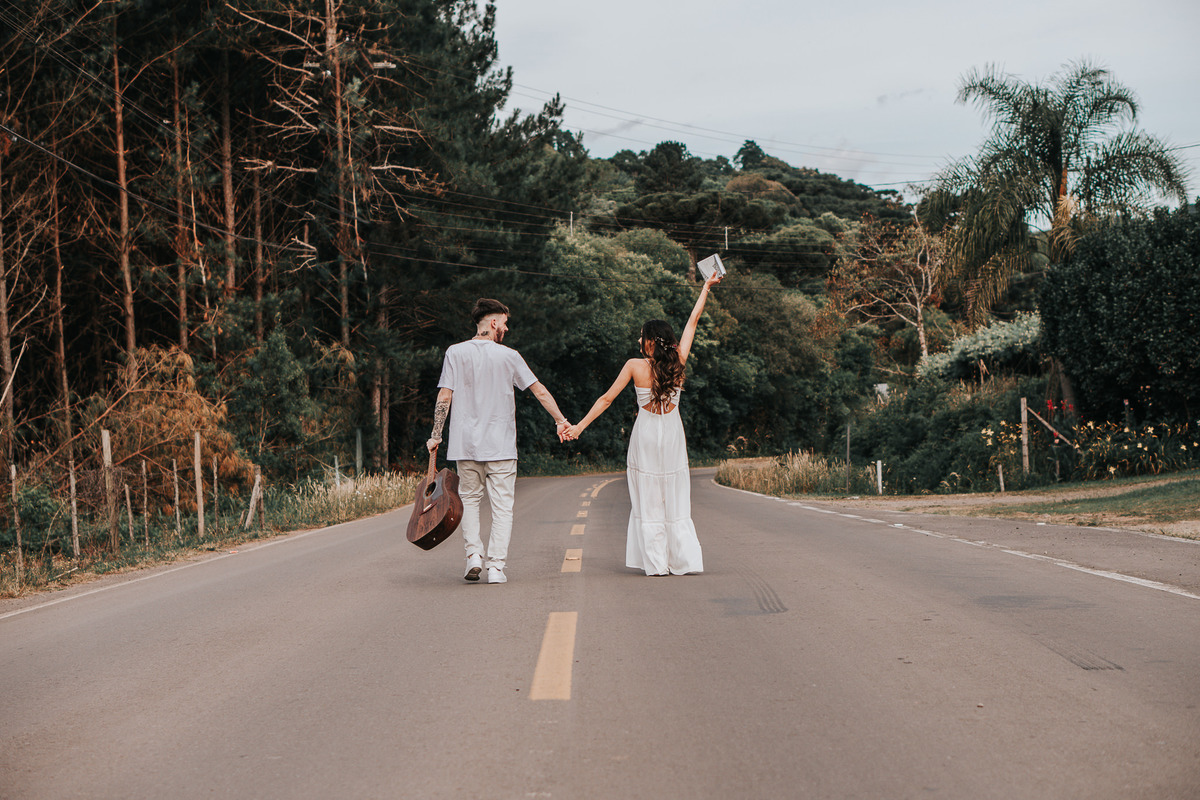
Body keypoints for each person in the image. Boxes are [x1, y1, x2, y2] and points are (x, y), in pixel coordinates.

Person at [566, 273, 722, 575]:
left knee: (647, 493)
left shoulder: (634, 366)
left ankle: (655, 562)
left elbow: (606, 399)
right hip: (673, 431)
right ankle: (681, 559)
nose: (638, 340)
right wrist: (705, 288)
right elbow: (692, 323)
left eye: (641, 336)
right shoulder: (679, 361)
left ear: (651, 341)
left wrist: (580, 427)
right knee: (674, 491)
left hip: (647, 433)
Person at [427, 298, 571, 584]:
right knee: (502, 507)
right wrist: (560, 421)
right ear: (493, 323)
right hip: (501, 446)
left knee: (468, 500)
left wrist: (436, 434)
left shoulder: (455, 353)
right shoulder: (510, 356)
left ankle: (473, 556)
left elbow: (445, 395)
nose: (506, 328)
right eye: (504, 322)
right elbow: (538, 390)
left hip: (465, 445)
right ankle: (495, 568)